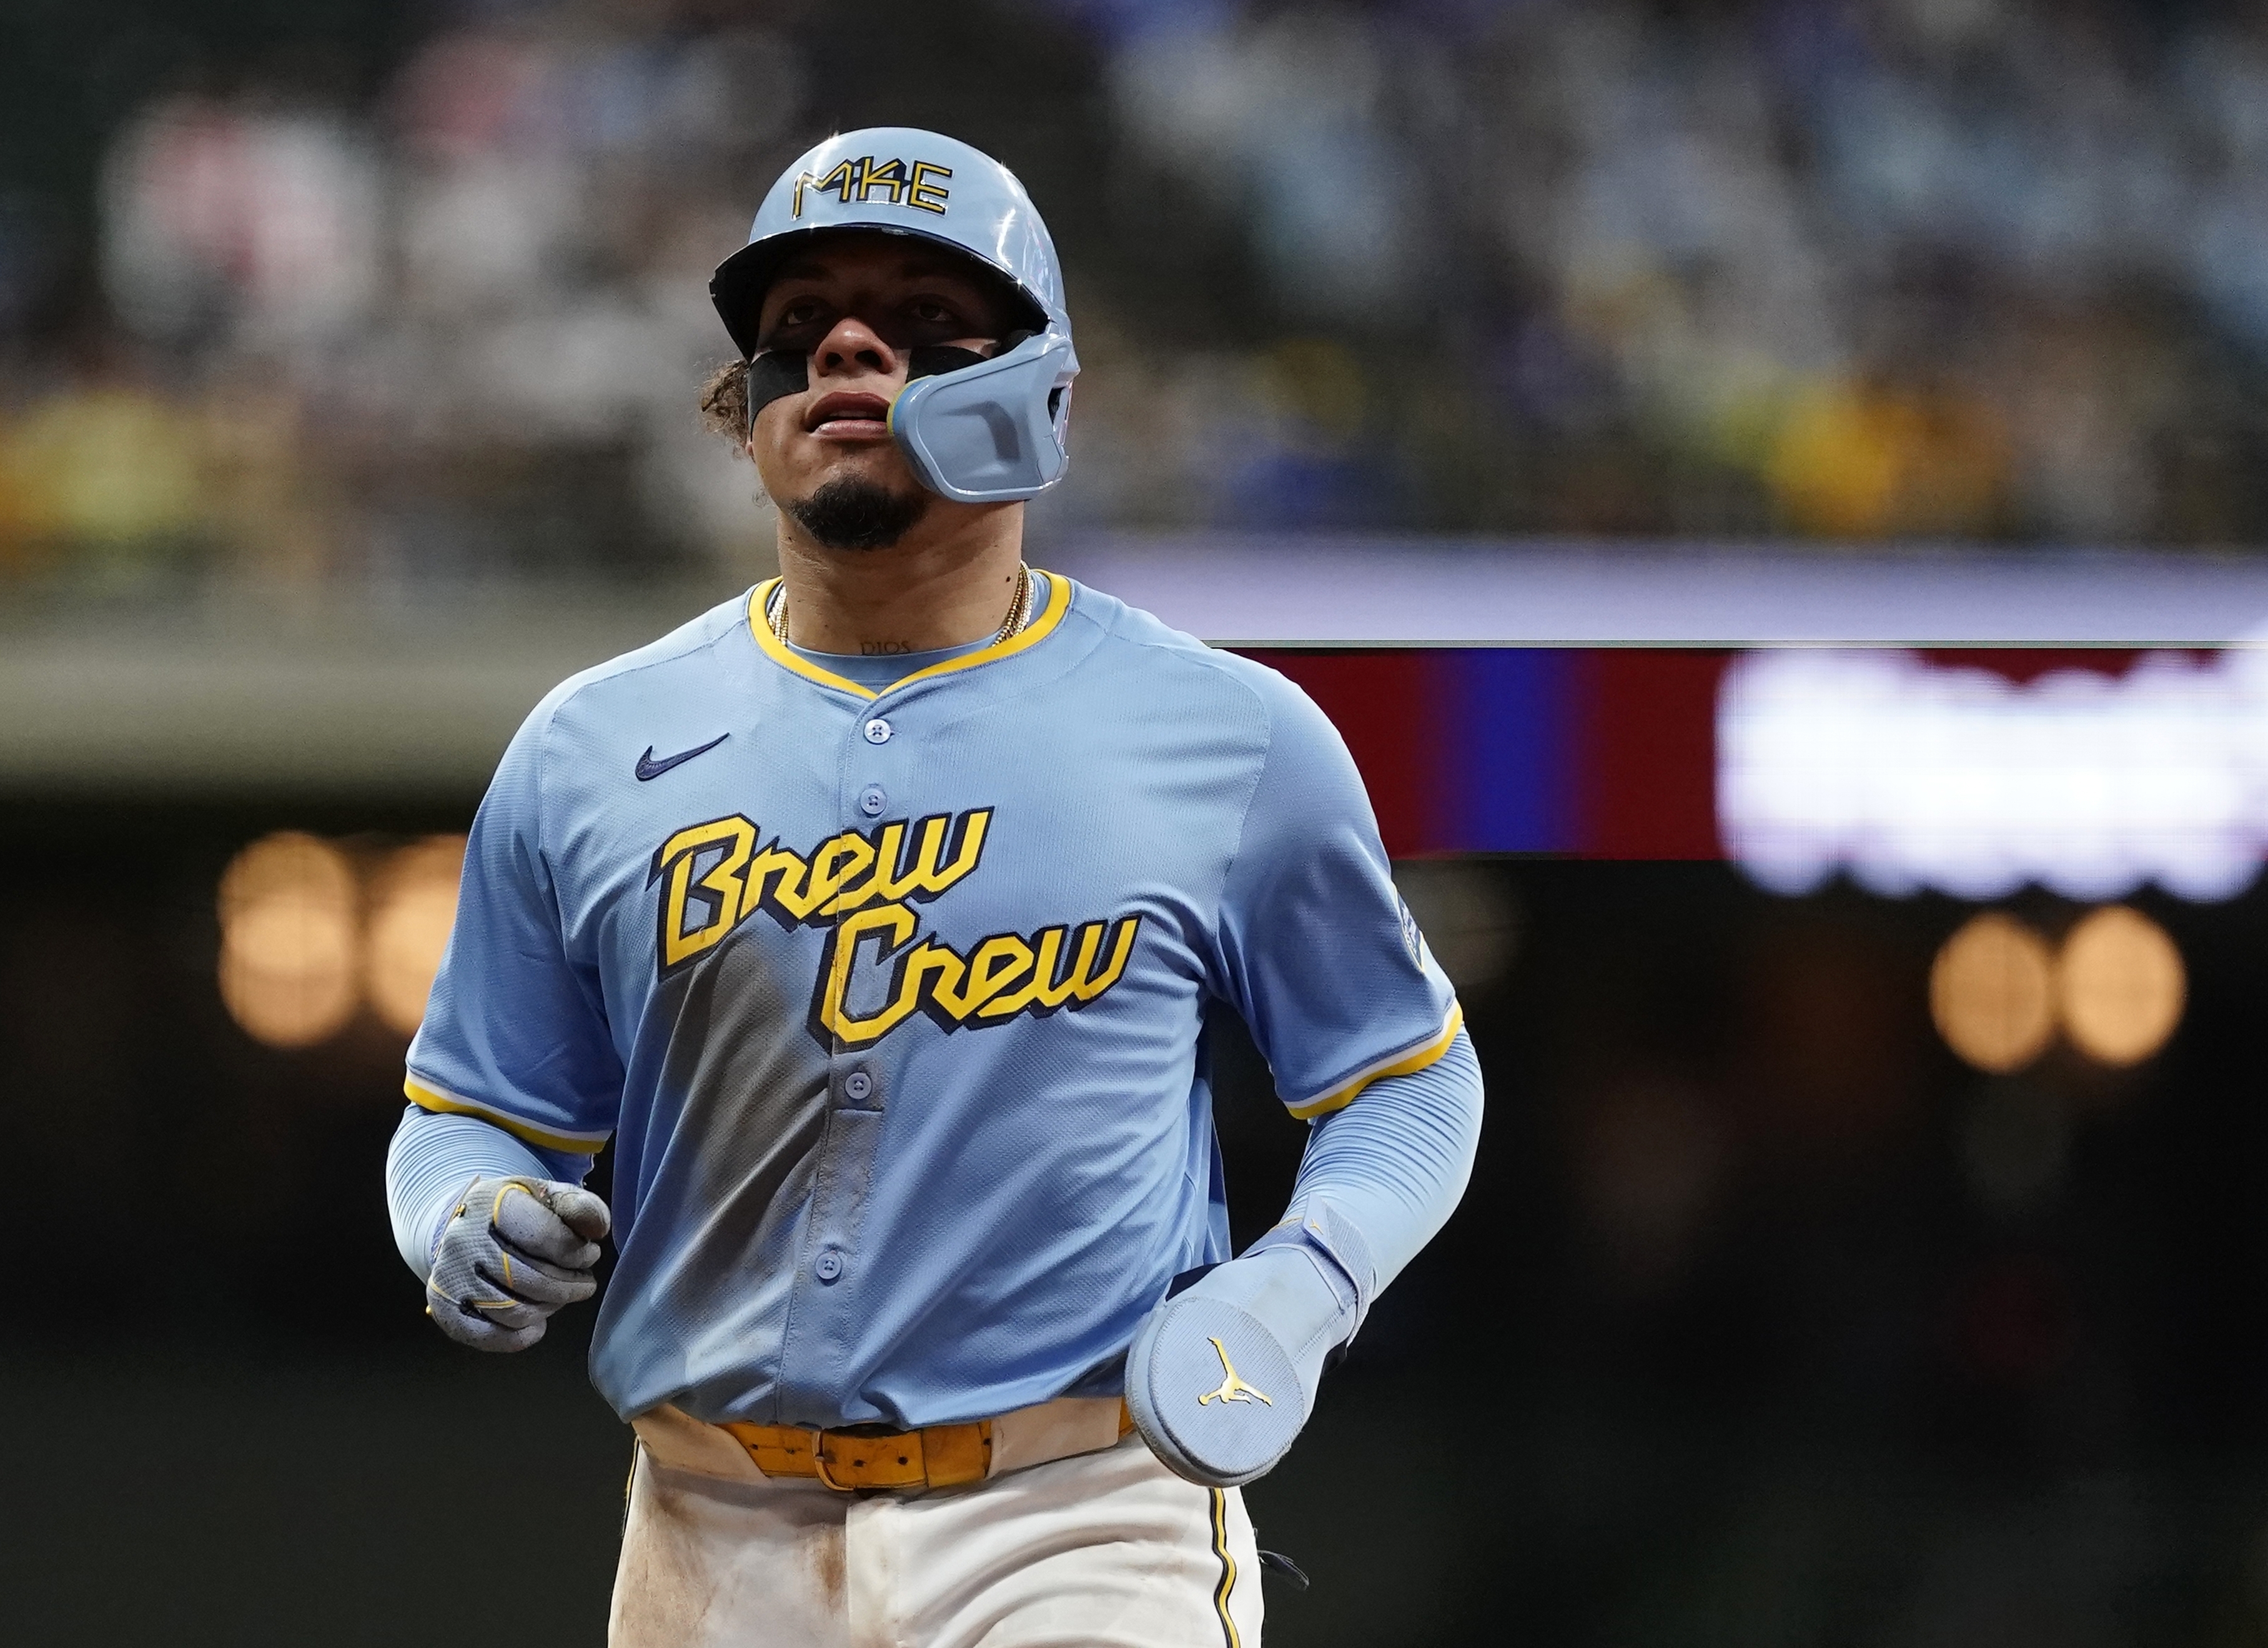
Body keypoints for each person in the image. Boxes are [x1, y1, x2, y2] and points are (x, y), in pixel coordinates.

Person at [383, 126, 1483, 1647]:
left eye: (920, 320)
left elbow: (1408, 1083)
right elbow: (468, 1109)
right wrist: (457, 1207)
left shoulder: (1228, 736)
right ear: (750, 405)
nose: (842, 342)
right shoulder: (591, 744)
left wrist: (1301, 1284)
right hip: (707, 1536)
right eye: (797, 326)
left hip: (1076, 1516)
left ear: (1041, 388)